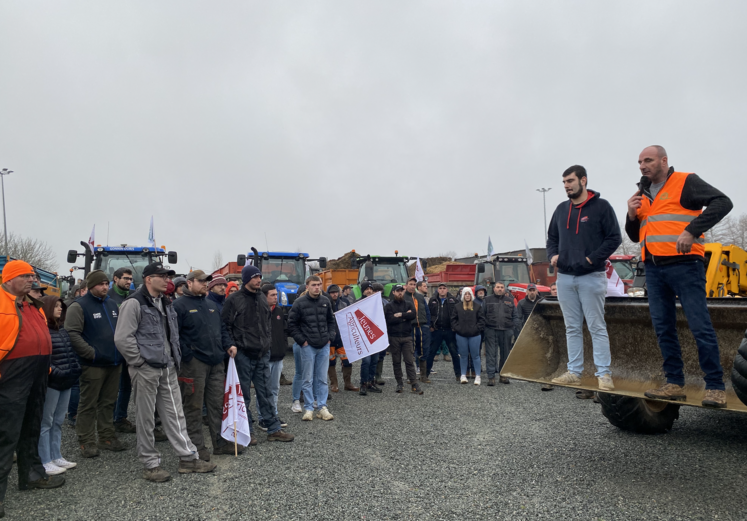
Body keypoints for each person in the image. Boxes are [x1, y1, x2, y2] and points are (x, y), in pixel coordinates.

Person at [627, 146, 733, 407]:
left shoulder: (686, 182)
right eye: (640, 162)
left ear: (664, 160)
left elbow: (723, 202)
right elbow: (633, 235)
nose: (642, 165)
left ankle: (716, 387)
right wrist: (631, 214)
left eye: (648, 160)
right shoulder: (641, 194)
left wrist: (691, 230)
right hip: (652, 268)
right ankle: (674, 382)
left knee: (700, 326)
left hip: (685, 265)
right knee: (663, 328)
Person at [115, 262, 217, 482]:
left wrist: (173, 360)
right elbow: (123, 338)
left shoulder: (166, 302)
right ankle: (150, 464)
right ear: (149, 279)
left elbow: (171, 335)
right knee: (146, 418)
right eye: (162, 276)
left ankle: (188, 458)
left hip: (168, 367)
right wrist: (140, 363)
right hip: (146, 369)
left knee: (175, 414)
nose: (168, 280)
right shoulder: (133, 303)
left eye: (168, 276)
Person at [547, 165, 621, 391]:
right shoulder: (561, 210)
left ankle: (604, 375)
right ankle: (574, 372)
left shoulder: (601, 207)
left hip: (591, 276)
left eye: (570, 181)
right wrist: (553, 256)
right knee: (571, 327)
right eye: (564, 182)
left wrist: (591, 259)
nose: (566, 186)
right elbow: (551, 237)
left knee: (596, 326)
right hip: (565, 279)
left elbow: (614, 238)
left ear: (583, 180)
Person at [0, 261, 63, 517]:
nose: (31, 280)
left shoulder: (31, 305)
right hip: (12, 375)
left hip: (37, 373)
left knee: (32, 427)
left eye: (32, 275)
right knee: (6, 434)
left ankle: (32, 475)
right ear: (9, 279)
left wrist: (45, 368)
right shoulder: (2, 303)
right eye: (25, 276)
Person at [222, 264, 294, 440]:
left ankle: (273, 429)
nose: (258, 280)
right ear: (246, 279)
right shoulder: (234, 300)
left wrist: (267, 344)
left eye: (259, 277)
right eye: (255, 277)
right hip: (243, 355)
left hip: (262, 354)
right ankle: (248, 431)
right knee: (243, 396)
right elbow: (225, 326)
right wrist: (231, 344)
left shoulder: (262, 298)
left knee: (266, 393)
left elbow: (267, 324)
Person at [173, 270, 240, 460]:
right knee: (193, 407)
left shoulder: (211, 305)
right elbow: (174, 336)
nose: (205, 284)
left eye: (206, 281)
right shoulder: (179, 306)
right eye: (201, 281)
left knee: (218, 404)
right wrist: (188, 355)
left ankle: (220, 442)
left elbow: (221, 329)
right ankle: (196, 447)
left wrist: (228, 345)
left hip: (216, 362)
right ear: (189, 282)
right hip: (194, 364)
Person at [64, 270, 127, 457]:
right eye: (101, 284)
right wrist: (91, 354)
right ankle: (86, 440)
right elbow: (72, 334)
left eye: (107, 284)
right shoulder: (79, 306)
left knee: (109, 402)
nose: (105, 287)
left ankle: (107, 437)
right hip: (92, 365)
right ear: (91, 286)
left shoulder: (111, 304)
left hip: (114, 362)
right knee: (88, 404)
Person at [38, 296, 81, 476]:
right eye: (55, 306)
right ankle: (44, 459)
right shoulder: (43, 331)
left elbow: (70, 353)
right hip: (53, 383)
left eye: (60, 306)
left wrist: (74, 368)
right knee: (46, 422)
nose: (59, 309)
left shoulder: (62, 330)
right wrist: (55, 372)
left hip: (66, 382)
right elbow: (45, 358)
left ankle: (56, 455)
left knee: (58, 421)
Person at [288, 275, 336, 421]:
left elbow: (331, 321)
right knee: (307, 378)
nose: (317, 287)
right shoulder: (299, 303)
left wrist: (330, 338)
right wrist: (302, 341)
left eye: (319, 284)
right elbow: (291, 324)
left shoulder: (325, 301)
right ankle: (308, 408)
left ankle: (322, 407)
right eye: (314, 285)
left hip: (323, 346)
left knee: (322, 378)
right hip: (308, 346)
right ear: (307, 286)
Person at [107, 268, 136, 434]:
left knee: (126, 386)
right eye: (125, 278)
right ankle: (107, 420)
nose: (129, 281)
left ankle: (121, 418)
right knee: (112, 388)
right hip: (113, 348)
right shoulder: (109, 297)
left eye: (130, 279)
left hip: (129, 348)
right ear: (115, 279)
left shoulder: (133, 296)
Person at [257, 284, 288, 430]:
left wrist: (283, 348)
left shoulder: (279, 312)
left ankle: (273, 414)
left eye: (276, 295)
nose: (276, 297)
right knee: (263, 389)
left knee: (275, 388)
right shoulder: (258, 312)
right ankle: (262, 417)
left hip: (278, 356)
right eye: (272, 295)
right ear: (264, 296)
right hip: (264, 357)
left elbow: (283, 332)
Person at [384, 285, 423, 394]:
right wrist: (405, 317)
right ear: (393, 293)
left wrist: (400, 315)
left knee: (409, 361)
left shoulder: (409, 304)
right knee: (396, 361)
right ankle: (399, 383)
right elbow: (389, 319)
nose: (400, 293)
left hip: (407, 336)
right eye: (398, 291)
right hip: (394, 337)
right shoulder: (389, 306)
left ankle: (414, 383)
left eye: (401, 291)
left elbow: (413, 315)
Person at [481, 282, 521, 385]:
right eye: (498, 287)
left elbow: (515, 316)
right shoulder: (487, 300)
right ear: (494, 289)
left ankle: (503, 376)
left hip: (506, 331)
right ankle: (491, 377)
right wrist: (485, 328)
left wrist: (513, 328)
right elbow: (482, 315)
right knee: (491, 354)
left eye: (502, 287)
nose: (500, 289)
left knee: (505, 355)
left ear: (504, 289)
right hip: (491, 330)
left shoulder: (510, 301)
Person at [326, 284, 358, 393]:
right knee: (331, 362)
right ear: (328, 293)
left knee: (347, 361)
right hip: (329, 339)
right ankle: (334, 384)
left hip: (343, 338)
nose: (334, 294)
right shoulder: (324, 304)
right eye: (332, 292)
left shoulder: (345, 303)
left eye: (336, 292)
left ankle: (347, 383)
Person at [451, 287, 485, 385]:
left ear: (471, 295)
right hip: (461, 335)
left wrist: (476, 329)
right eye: (465, 294)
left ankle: (478, 376)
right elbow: (453, 320)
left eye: (469, 294)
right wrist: (458, 329)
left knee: (476, 356)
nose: (467, 296)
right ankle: (463, 375)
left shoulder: (478, 306)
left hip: (475, 335)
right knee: (463, 356)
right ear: (463, 295)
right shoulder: (457, 307)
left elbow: (481, 320)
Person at [427, 283, 460, 382]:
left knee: (454, 353)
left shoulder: (453, 300)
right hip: (436, 330)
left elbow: (458, 315)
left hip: (450, 330)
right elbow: (428, 314)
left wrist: (455, 327)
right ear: (437, 290)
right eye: (440, 288)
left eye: (444, 288)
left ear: (447, 290)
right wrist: (430, 326)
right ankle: (425, 374)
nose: (442, 290)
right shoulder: (432, 300)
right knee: (431, 352)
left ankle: (458, 374)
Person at [404, 278, 429, 380]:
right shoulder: (403, 297)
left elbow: (427, 311)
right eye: (410, 284)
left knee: (424, 350)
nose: (412, 286)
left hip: (422, 327)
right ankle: (411, 377)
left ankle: (423, 376)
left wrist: (428, 324)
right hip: (410, 327)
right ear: (406, 286)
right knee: (410, 352)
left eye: (414, 284)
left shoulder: (420, 296)